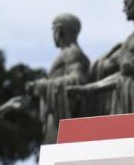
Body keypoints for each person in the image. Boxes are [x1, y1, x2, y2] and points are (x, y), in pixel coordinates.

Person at [28, 13, 90, 144]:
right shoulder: (66, 53)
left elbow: (77, 80)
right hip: (56, 114)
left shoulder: (73, 53)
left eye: (53, 29)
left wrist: (44, 85)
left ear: (60, 30)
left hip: (62, 118)